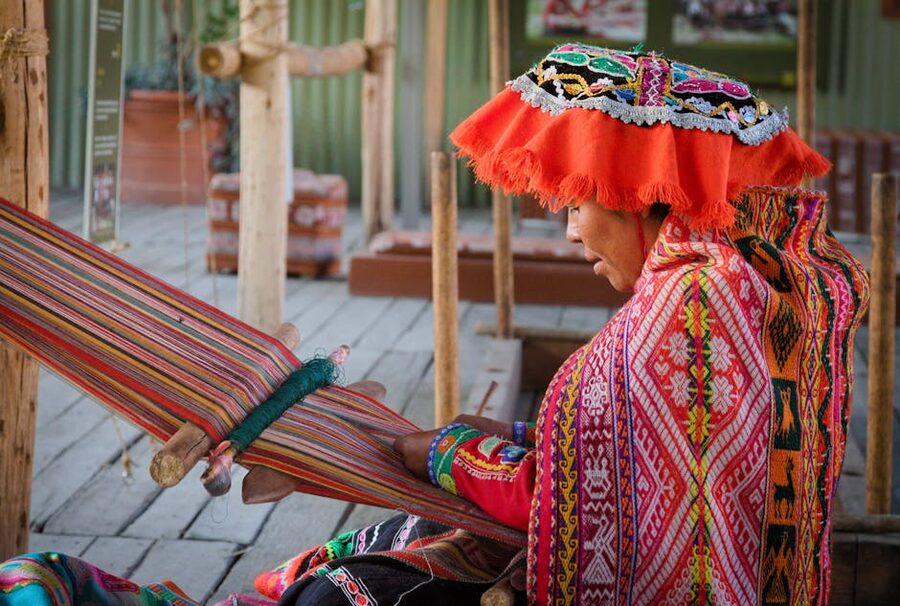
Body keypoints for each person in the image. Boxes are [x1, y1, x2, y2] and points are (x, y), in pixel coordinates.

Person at [1, 43, 869, 606]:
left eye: (578, 202)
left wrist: (441, 450)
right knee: (401, 542)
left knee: (367, 577)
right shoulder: (747, 286)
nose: (568, 228)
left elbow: (571, 498)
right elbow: (629, 456)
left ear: (644, 197)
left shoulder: (676, 320)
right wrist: (524, 434)